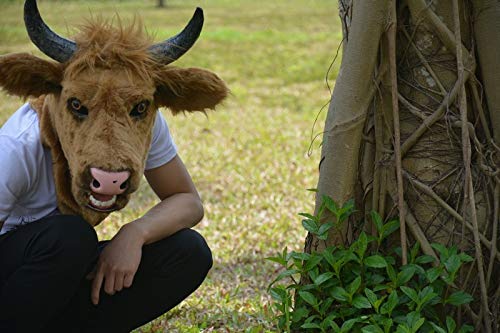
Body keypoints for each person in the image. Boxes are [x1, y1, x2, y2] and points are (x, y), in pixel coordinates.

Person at [0, 102, 213, 332]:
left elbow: (187, 199)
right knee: (71, 237)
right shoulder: (19, 144)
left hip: (60, 275)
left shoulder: (140, 115)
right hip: (13, 275)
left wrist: (136, 233)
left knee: (188, 252)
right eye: (80, 106)